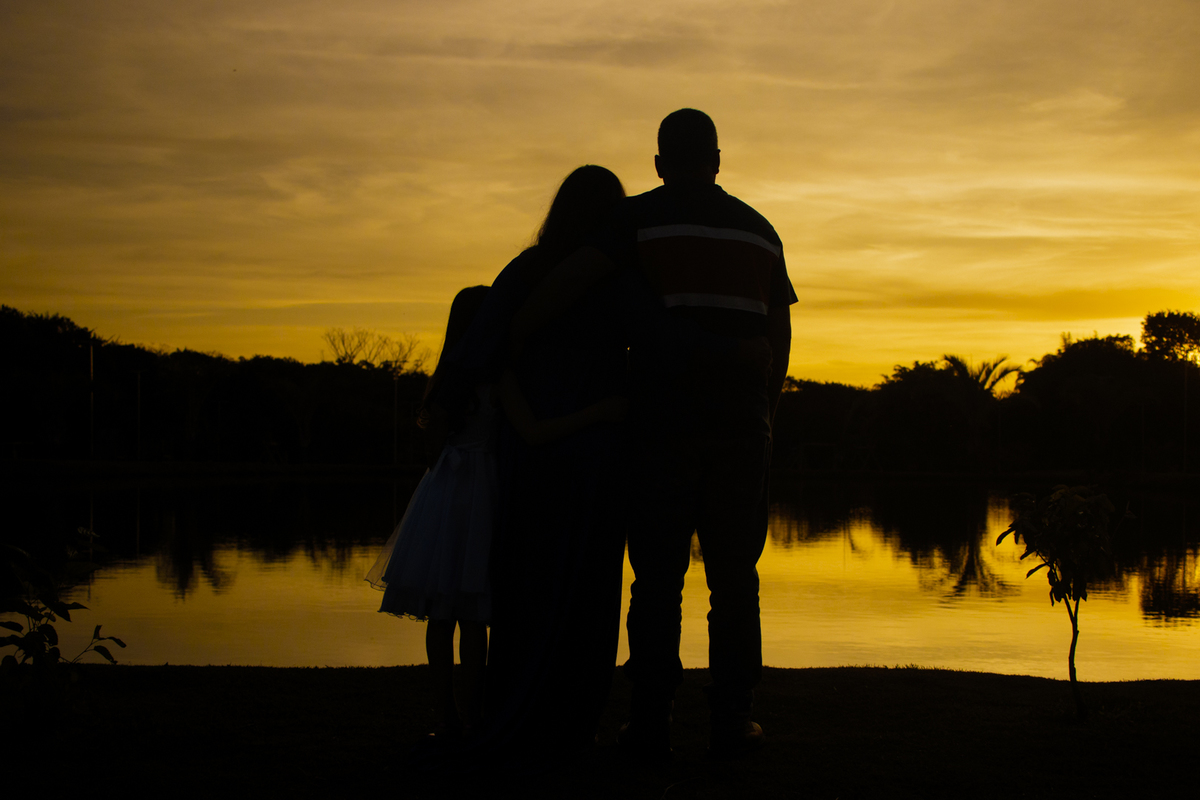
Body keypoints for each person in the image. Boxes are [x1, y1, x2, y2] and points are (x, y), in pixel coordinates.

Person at [512, 109, 795, 757]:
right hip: (740, 425)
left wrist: (516, 327)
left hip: (659, 424)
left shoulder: (635, 221)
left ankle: (649, 718)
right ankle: (733, 717)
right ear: (717, 161)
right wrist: (767, 417)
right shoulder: (761, 231)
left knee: (656, 579)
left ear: (661, 163)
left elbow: (572, 281)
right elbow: (777, 338)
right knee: (735, 579)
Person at [430, 165, 639, 762]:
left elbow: (478, 351)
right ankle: (575, 722)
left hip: (534, 456)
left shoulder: (524, 272)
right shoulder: (622, 275)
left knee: (526, 585)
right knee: (589, 592)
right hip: (595, 450)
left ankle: (513, 709)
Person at [366, 284, 626, 741]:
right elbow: (535, 432)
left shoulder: (445, 382)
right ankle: (471, 717)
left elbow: (432, 452)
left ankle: (447, 718)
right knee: (471, 617)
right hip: (481, 493)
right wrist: (598, 412)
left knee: (443, 615)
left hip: (442, 496)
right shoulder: (501, 378)